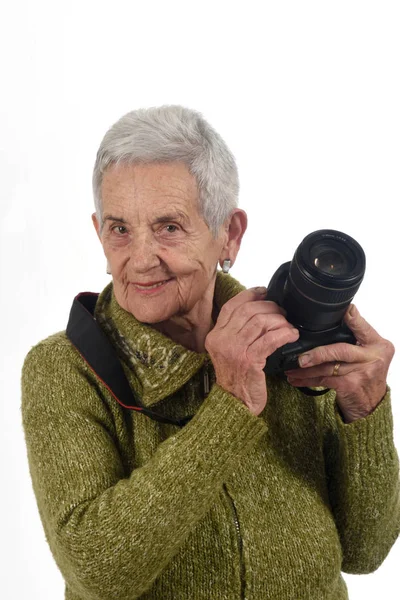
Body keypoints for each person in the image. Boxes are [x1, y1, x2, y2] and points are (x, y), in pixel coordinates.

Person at [21, 105, 399, 600]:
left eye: (169, 227)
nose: (140, 258)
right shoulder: (65, 368)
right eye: (119, 229)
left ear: (230, 234)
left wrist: (364, 408)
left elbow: (367, 550)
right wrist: (230, 404)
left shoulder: (290, 345)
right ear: (98, 233)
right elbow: (98, 573)